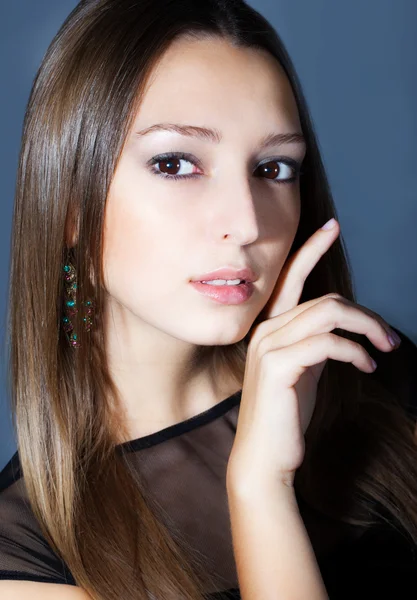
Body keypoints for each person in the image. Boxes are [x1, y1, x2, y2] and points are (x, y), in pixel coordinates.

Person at [0, 0, 416, 598]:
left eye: (274, 168)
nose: (247, 223)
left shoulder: (373, 373)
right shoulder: (27, 559)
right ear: (69, 204)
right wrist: (259, 488)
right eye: (175, 163)